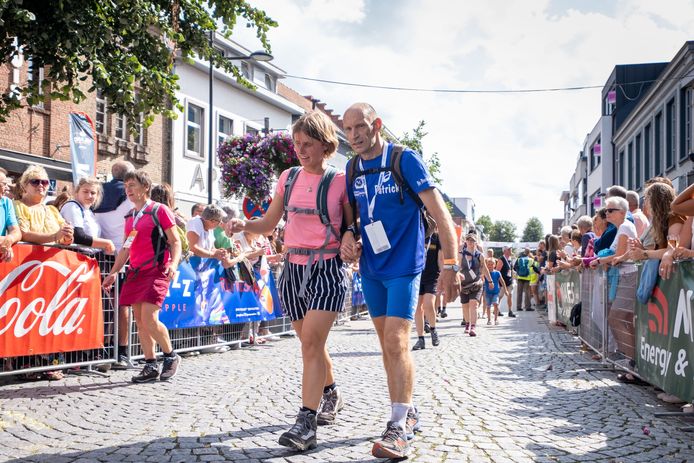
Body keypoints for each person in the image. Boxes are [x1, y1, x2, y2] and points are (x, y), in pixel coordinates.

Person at [340, 103, 460, 459]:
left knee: (396, 341)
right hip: (372, 267)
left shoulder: (404, 159)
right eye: (347, 130)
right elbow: (356, 216)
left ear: (376, 124)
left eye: (360, 127)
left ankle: (397, 428)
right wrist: (350, 235)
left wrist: (451, 265)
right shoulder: (352, 168)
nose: (354, 135)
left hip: (406, 265)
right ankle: (407, 411)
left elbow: (441, 214)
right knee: (388, 347)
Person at [229, 110, 353, 452]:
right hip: (292, 270)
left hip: (327, 269)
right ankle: (331, 392)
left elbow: (351, 226)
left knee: (311, 344)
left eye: (308, 144)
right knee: (309, 343)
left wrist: (349, 238)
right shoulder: (288, 177)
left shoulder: (341, 181)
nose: (301, 149)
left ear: (326, 145)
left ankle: (305, 423)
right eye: (297, 143)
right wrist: (244, 226)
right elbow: (269, 224)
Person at [102, 170, 182, 383]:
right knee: (140, 321)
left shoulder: (160, 210)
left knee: (149, 317)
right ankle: (150, 365)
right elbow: (126, 249)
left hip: (157, 270)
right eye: (126, 186)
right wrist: (113, 273)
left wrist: (173, 264)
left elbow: (175, 241)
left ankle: (170, 355)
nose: (128, 190)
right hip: (135, 272)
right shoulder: (129, 216)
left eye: (132, 185)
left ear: (145, 187)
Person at [94, 160, 135, 369]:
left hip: (96, 254)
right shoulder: (129, 197)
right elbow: (132, 230)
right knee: (122, 305)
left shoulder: (96, 192)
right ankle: (120, 352)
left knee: (101, 304)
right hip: (120, 255)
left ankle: (100, 349)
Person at [13, 165, 74, 246]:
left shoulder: (52, 210)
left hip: (52, 257)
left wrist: (67, 236)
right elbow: (23, 234)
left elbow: (63, 239)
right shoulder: (17, 205)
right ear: (24, 185)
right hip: (28, 257)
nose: (41, 185)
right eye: (35, 182)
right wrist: (55, 236)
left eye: (44, 182)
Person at [60, 177, 115, 254]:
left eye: (93, 193)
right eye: (85, 192)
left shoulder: (90, 212)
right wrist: (106, 243)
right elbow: (78, 236)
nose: (89, 196)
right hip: (76, 257)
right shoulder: (72, 206)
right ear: (77, 192)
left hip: (90, 258)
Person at [412, 230, 442, 351]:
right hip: (417, 276)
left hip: (432, 277)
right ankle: (420, 339)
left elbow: (440, 259)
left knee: (429, 304)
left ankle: (433, 330)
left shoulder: (436, 237)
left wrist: (443, 275)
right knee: (417, 308)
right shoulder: (416, 233)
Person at [459, 233, 493, 334]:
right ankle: (468, 324)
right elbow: (456, 267)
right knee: (465, 305)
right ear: (466, 242)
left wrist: (490, 281)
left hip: (476, 283)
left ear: (476, 242)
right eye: (469, 240)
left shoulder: (480, 256)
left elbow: (484, 269)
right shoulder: (461, 255)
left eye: (473, 240)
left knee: (473, 304)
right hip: (464, 284)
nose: (470, 242)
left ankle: (473, 327)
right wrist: (456, 274)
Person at [0, 168, 21, 262]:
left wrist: (9, 239)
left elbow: (17, 232)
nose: (7, 187)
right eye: (4, 184)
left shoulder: (6, 202)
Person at [483, 257, 506, 325]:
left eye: (491, 264)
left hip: (496, 292)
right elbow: (482, 280)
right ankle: (489, 320)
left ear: (494, 265)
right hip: (488, 292)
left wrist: (505, 290)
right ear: (486, 265)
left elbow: (502, 281)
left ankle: (496, 319)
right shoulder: (485, 273)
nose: (490, 266)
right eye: (488, 264)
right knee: (488, 306)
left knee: (496, 304)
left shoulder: (497, 273)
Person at [497, 246, 516, 317]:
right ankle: (496, 310)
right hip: (502, 283)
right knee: (499, 297)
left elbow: (510, 270)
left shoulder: (510, 259)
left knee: (510, 296)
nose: (511, 250)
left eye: (511, 249)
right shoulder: (501, 259)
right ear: (505, 251)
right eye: (509, 249)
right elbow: (497, 271)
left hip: (509, 281)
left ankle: (510, 311)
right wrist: (498, 283)